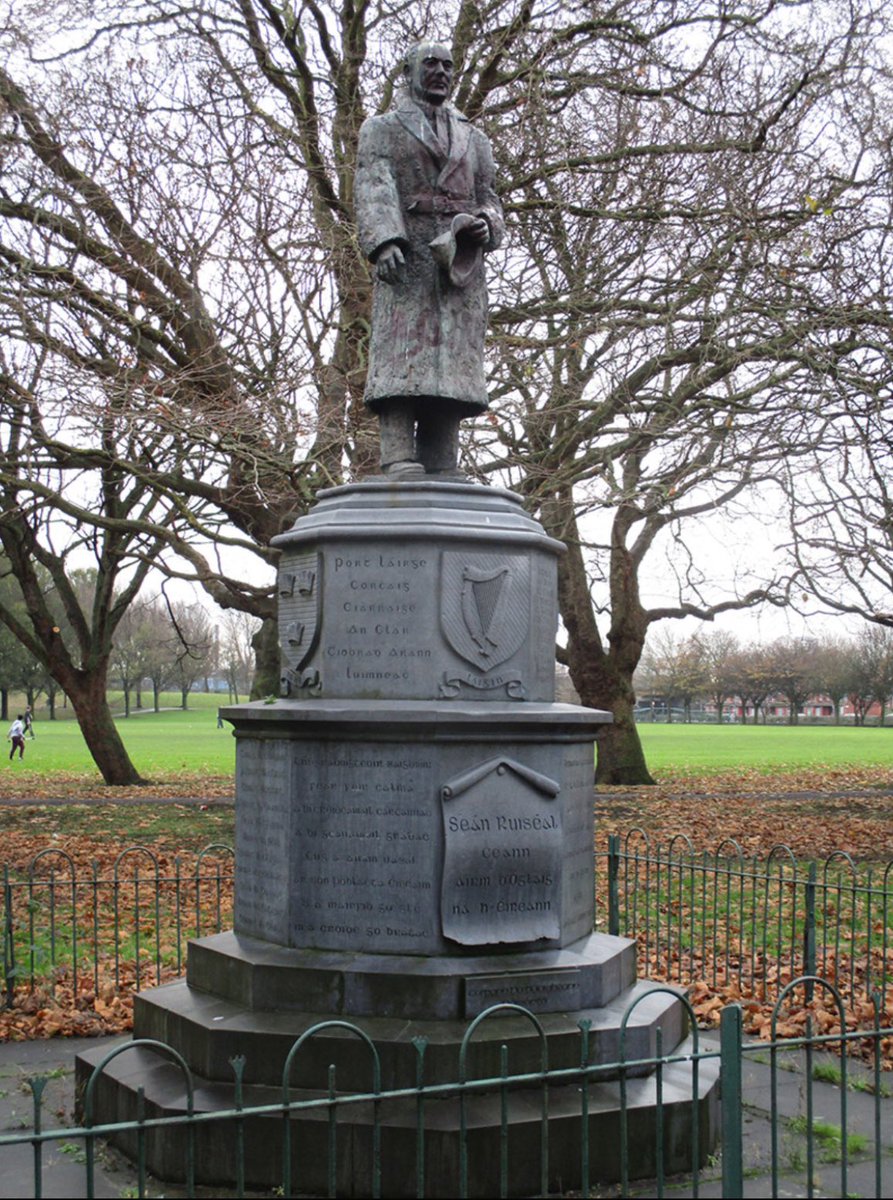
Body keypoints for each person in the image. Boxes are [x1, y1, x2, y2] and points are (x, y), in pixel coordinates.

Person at [354, 40, 505, 478]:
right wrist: (385, 242)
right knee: (402, 357)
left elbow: (490, 198)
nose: (440, 71)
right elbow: (374, 184)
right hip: (409, 255)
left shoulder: (474, 138)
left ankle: (441, 459)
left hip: (460, 261)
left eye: (447, 65)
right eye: (430, 64)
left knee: (450, 364)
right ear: (409, 70)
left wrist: (486, 225)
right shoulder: (382, 128)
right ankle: (398, 455)